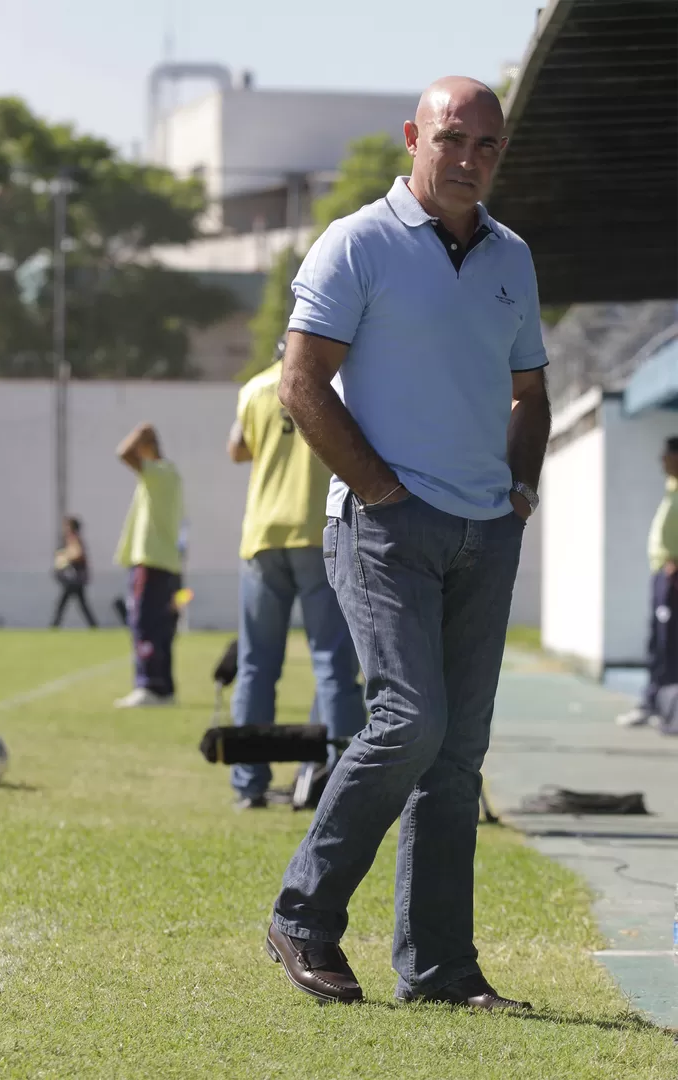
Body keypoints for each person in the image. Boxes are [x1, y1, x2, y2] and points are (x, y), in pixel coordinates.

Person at [265, 77, 551, 1009]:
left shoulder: (512, 256)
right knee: (410, 721)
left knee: (457, 755)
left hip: (487, 531)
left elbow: (531, 391)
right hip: (384, 528)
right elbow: (301, 382)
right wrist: (383, 492)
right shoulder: (357, 243)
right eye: (451, 138)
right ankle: (303, 915)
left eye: (486, 145)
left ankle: (439, 971)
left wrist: (519, 491)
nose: (468, 158)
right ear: (413, 138)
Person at [227, 335, 365, 810]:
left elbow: (237, 449)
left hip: (263, 536)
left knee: (256, 665)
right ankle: (342, 784)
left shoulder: (253, 390)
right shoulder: (333, 384)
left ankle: (249, 784)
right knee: (332, 662)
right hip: (316, 532)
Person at [113, 422, 183, 708]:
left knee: (144, 622)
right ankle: (164, 688)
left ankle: (148, 684)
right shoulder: (169, 475)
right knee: (162, 626)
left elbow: (123, 453)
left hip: (151, 561)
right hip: (166, 563)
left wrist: (140, 433)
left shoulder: (159, 473)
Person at [617, 436, 678, 728]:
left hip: (672, 575)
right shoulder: (672, 487)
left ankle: (664, 707)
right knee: (658, 641)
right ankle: (655, 703)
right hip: (662, 574)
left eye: (667, 455)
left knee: (668, 643)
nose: (662, 460)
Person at [51, 516, 98, 628]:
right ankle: (93, 625)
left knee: (64, 603)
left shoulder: (74, 539)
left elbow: (78, 555)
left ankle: (55, 624)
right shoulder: (71, 539)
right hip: (75, 578)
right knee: (80, 604)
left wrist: (65, 558)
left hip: (75, 578)